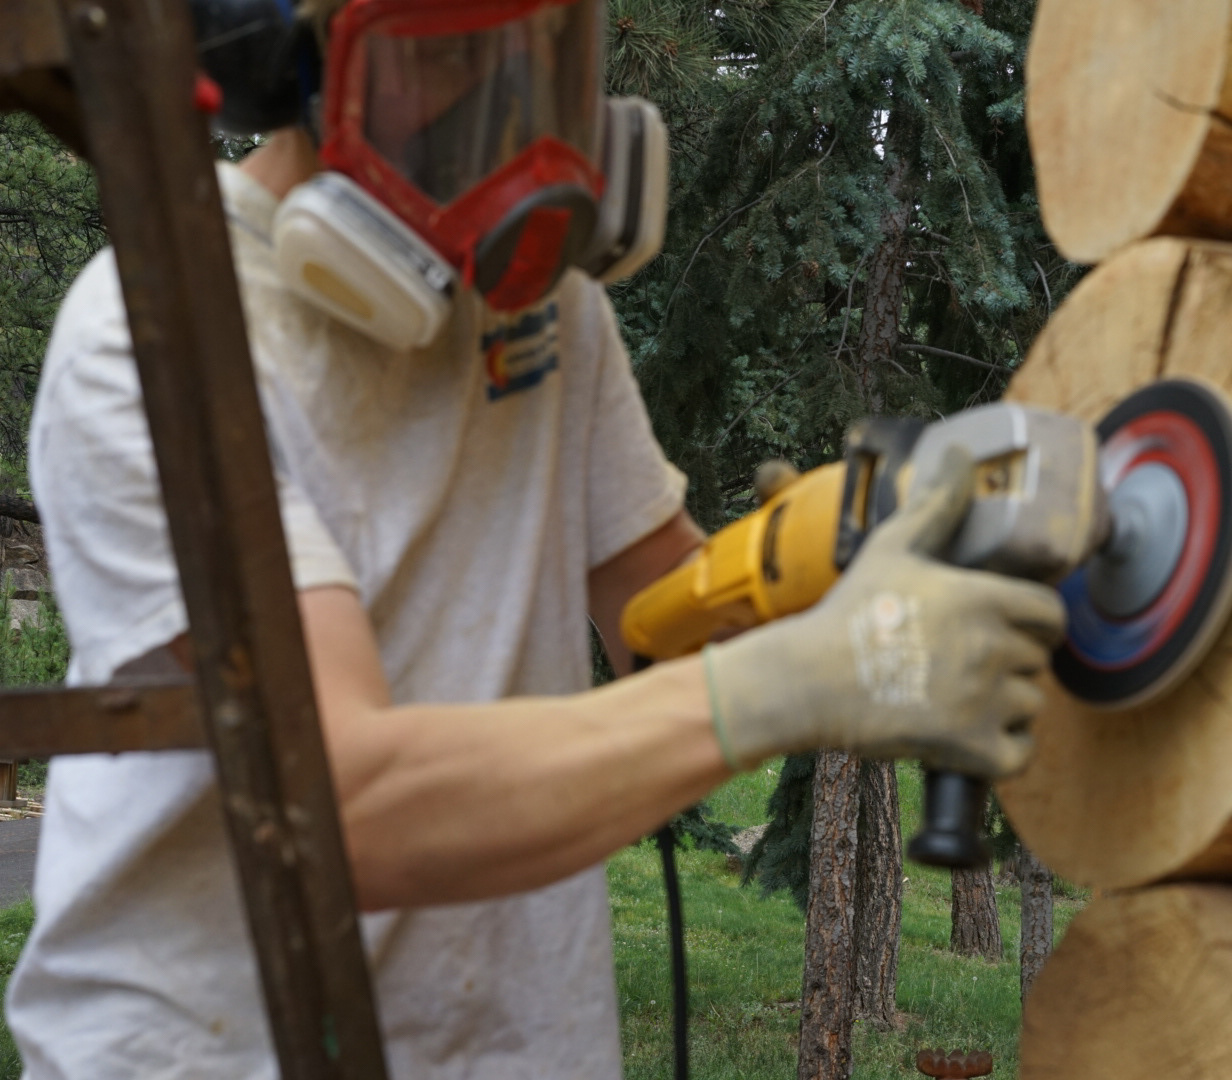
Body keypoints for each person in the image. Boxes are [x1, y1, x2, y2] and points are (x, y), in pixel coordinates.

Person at [5, 0, 1066, 1076]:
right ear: (297, 67)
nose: (510, 106)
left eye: (547, 49)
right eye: (449, 55)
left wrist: (813, 561)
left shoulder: (545, 304)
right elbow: (345, 808)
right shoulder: (158, 332)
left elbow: (660, 626)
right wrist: (786, 684)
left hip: (513, 1045)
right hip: (216, 1048)